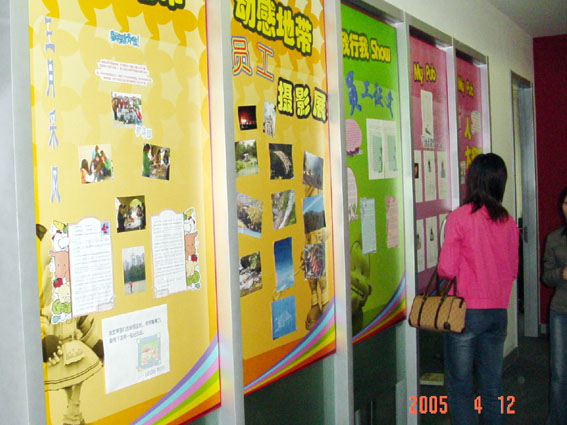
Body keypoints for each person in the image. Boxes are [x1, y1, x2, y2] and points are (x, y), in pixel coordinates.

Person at [437, 153, 519, 424]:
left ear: (472, 180)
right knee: (492, 388)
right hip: (498, 313)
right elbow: (513, 271)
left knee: (460, 389)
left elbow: (446, 269)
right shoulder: (508, 222)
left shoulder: (459, 218)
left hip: (465, 313)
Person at [542, 187, 567, 425]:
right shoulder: (554, 238)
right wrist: (561, 273)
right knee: (559, 374)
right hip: (561, 310)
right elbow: (546, 277)